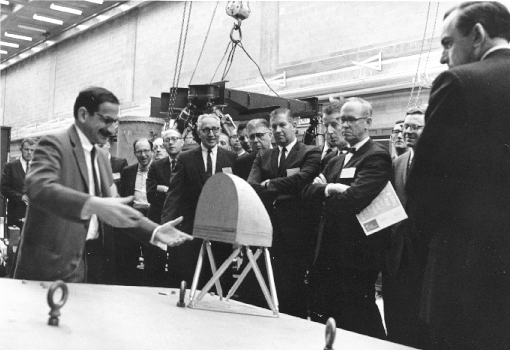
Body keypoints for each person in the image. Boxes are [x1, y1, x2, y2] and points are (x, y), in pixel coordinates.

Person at [406, 2, 510, 349]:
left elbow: (424, 187)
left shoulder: (461, 82)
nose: (442, 57)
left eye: (448, 43)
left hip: (469, 277)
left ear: (478, 35)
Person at [13, 86, 192, 284]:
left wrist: (154, 231)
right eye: (106, 120)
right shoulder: (53, 145)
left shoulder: (99, 157)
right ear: (83, 114)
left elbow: (115, 207)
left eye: (115, 122)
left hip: (92, 262)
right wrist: (92, 204)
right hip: (50, 268)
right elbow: (39, 188)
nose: (112, 128)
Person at [302, 97, 390, 339]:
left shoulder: (376, 156)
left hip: (357, 255)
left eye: (351, 120)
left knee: (360, 319)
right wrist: (331, 189)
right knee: (330, 316)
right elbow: (307, 192)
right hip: (329, 251)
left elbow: (355, 199)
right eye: (342, 120)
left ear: (368, 122)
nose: (344, 125)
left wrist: (326, 190)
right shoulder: (336, 160)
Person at [248, 107, 321, 318]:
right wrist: (285, 187)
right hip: (267, 231)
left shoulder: (310, 152)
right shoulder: (264, 156)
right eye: (274, 126)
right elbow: (252, 184)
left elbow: (303, 180)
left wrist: (269, 183)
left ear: (294, 125)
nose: (278, 130)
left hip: (296, 233)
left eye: (283, 125)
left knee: (294, 290)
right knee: (267, 286)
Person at [161, 114, 237, 287]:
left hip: (221, 230)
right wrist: (166, 225)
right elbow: (174, 195)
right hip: (192, 229)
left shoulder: (231, 159)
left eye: (215, 129)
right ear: (198, 132)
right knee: (191, 277)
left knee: (219, 280)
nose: (211, 134)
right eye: (206, 130)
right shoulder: (185, 158)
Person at [383, 106, 429, 348]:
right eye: (406, 126)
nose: (409, 131)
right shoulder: (398, 162)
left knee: (420, 319)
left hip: (424, 254)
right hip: (397, 253)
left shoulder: (437, 162)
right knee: (396, 315)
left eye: (416, 127)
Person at [145, 129, 184, 287]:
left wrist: (165, 189)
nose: (170, 143)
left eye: (174, 139)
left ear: (182, 142)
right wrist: (167, 191)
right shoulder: (156, 165)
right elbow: (150, 195)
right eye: (167, 140)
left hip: (180, 220)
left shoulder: (187, 161)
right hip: (158, 217)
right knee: (156, 263)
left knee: (177, 265)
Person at [115, 138, 153, 286]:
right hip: (134, 216)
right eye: (139, 151)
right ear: (134, 153)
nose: (143, 155)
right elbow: (124, 195)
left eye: (146, 151)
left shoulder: (161, 169)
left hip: (152, 217)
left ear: (152, 151)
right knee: (129, 256)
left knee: (152, 256)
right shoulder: (128, 172)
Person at [1, 138, 36, 232]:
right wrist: (21, 197)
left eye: (32, 150)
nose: (29, 152)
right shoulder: (10, 166)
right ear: (20, 149)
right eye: (26, 149)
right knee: (15, 243)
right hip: (15, 214)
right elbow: (4, 188)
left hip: (35, 215)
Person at [321, 102, 349, 170]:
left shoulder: (363, 155)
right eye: (326, 126)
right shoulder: (327, 159)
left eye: (334, 125)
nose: (329, 131)